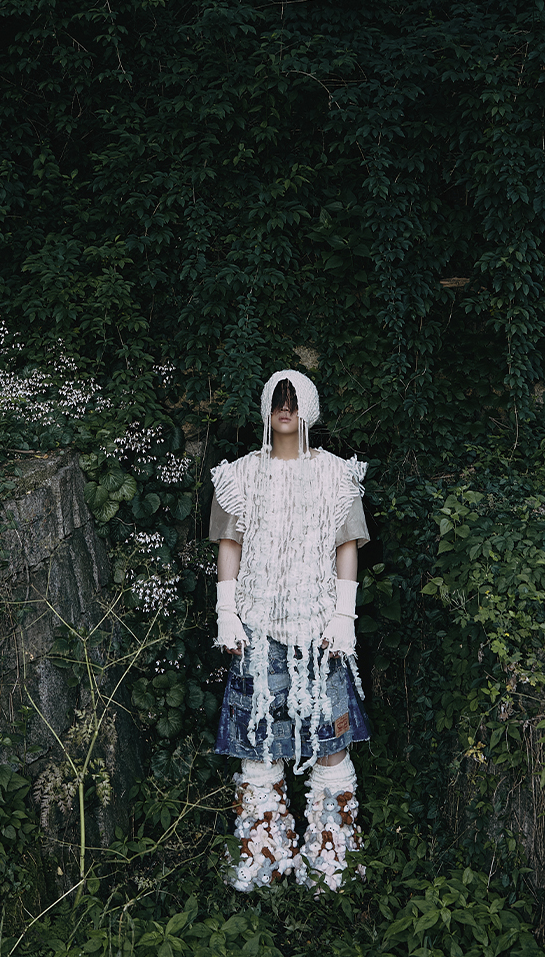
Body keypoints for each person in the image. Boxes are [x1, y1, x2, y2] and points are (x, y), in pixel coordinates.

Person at [209, 368, 370, 892]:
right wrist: (226, 611)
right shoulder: (239, 476)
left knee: (331, 738)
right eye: (278, 398)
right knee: (258, 741)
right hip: (257, 624)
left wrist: (344, 616)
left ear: (310, 409)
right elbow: (229, 545)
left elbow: (346, 547)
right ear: (265, 406)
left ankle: (332, 853)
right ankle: (265, 855)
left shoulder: (337, 475)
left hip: (320, 627)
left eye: (294, 399)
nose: (285, 407)